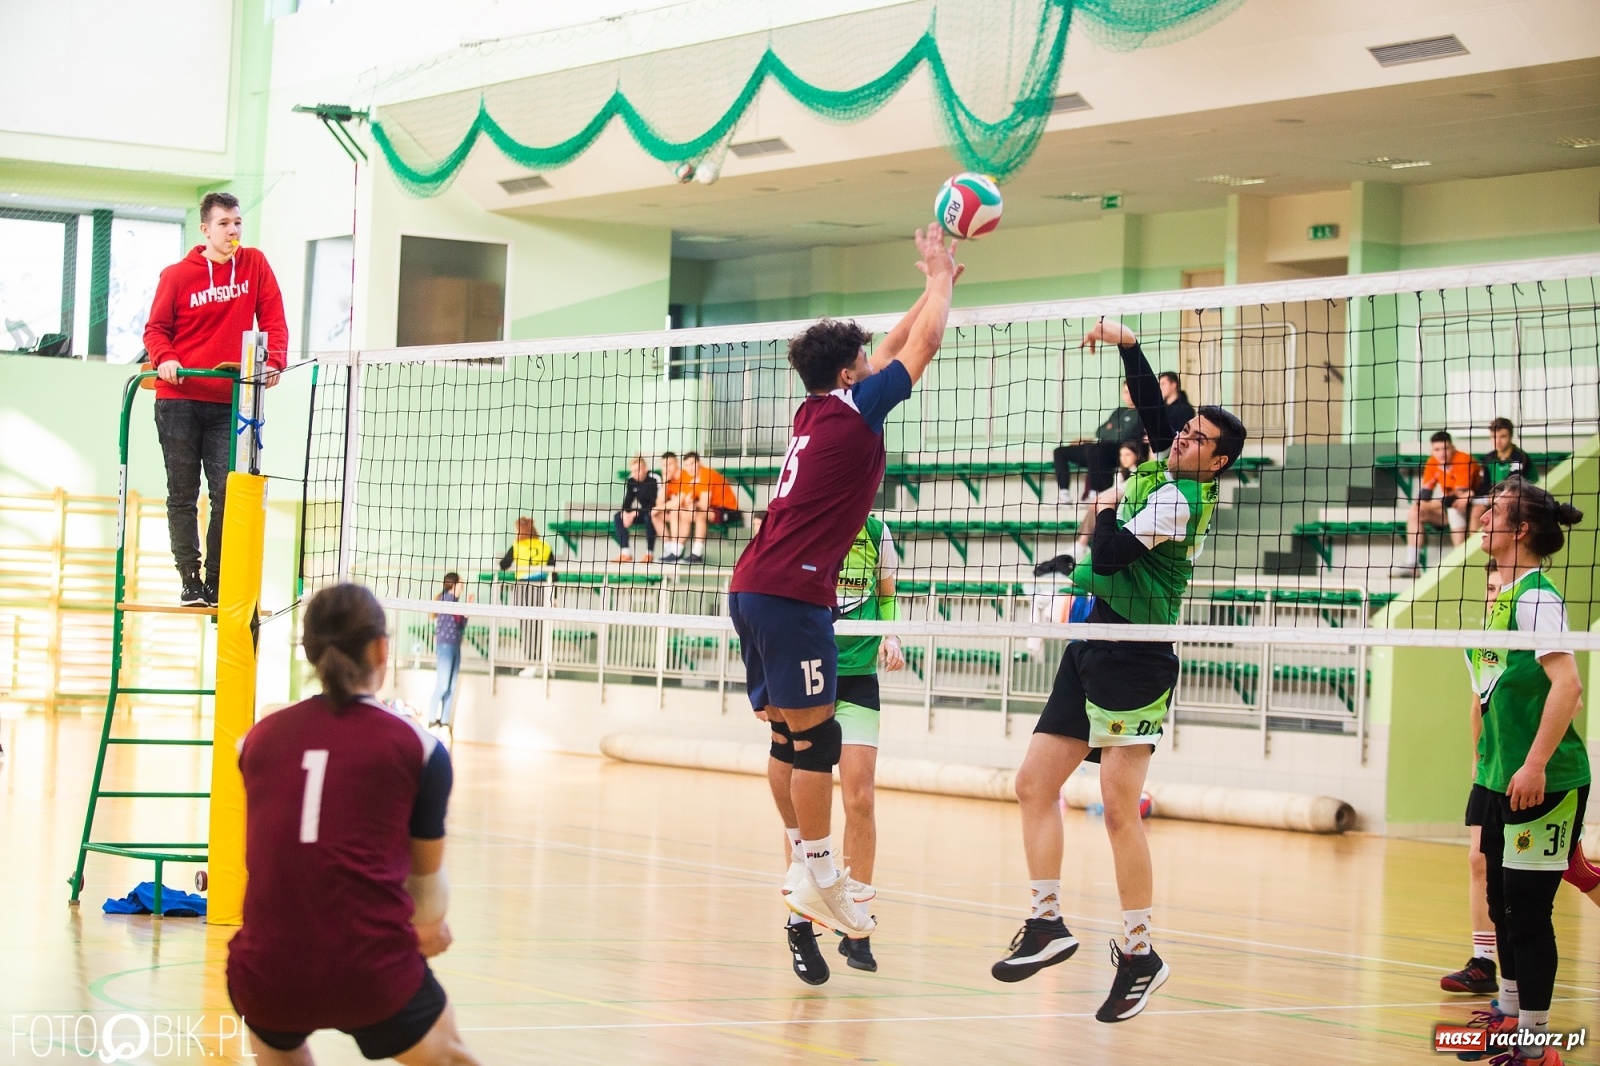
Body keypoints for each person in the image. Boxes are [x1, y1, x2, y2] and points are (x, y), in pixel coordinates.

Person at [993, 319, 1246, 1026]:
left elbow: (1106, 556)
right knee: (1033, 783)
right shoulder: (1167, 465)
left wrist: (1104, 503)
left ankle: (1140, 954)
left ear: (1219, 461)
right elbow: (1153, 411)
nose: (1183, 438)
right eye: (1185, 430)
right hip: (1094, 640)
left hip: (1137, 654)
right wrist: (1129, 345)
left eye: (1198, 438)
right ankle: (1047, 922)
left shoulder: (1179, 498)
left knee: (1117, 804)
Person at [729, 227, 959, 965]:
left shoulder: (815, 411)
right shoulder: (857, 411)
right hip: (793, 594)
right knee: (817, 742)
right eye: (862, 358)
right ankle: (822, 874)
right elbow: (922, 347)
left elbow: (888, 348)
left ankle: (805, 862)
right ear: (847, 372)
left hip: (752, 586)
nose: (873, 359)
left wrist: (930, 286)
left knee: (788, 738)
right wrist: (940, 278)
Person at [226, 583, 478, 1065]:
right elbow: (427, 889)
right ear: (381, 649)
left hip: (264, 973)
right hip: (369, 969)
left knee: (277, 1039)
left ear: (309, 650)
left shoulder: (255, 742)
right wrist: (429, 930)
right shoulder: (421, 749)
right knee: (452, 1058)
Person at [1457, 478, 1586, 1065]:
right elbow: (1495, 693)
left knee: (1527, 912)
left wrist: (1534, 764)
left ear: (1522, 529)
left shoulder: (1536, 597)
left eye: (1495, 512)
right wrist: (1489, 763)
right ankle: (1510, 1018)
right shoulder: (1504, 596)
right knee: (1502, 902)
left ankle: (1538, 1046)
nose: (1483, 519)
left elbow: (1569, 685)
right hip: (1499, 776)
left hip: (1544, 779)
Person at [143, 191, 288, 607]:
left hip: (228, 401)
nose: (233, 230)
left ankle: (216, 580)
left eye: (238, 222)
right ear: (206, 229)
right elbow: (155, 330)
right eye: (224, 223)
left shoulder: (255, 264)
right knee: (183, 494)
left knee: (226, 493)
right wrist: (167, 358)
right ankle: (189, 579)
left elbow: (274, 320)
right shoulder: (177, 275)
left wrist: (274, 361)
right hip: (180, 398)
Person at [776, 514, 904, 982]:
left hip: (858, 677)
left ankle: (858, 922)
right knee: (806, 797)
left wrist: (890, 633)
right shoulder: (810, 523)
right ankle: (800, 923)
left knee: (860, 797)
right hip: (811, 672)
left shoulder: (876, 532)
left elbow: (886, 596)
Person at [1393, 431, 1481, 577]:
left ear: (1453, 447)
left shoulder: (1464, 460)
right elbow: (1425, 495)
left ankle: (1462, 563)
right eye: (1437, 450)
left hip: (1472, 509)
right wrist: (1424, 503)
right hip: (1448, 508)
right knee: (1415, 512)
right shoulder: (1433, 462)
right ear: (1432, 450)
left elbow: (1458, 496)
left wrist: (1429, 504)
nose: (1441, 453)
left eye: (1445, 448)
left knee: (1454, 507)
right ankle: (1412, 565)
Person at [1052, 383, 1142, 504]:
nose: (1129, 395)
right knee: (1060, 452)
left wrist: (1112, 429)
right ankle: (1064, 494)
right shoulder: (1119, 412)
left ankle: (1094, 492)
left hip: (1117, 451)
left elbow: (1125, 435)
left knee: (1096, 449)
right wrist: (1115, 431)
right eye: (1126, 392)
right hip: (1100, 448)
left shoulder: (1141, 413)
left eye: (1131, 392)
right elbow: (1099, 431)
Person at [1073, 440, 1148, 558]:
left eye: (1127, 455)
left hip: (1130, 507)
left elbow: (1122, 490)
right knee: (1095, 509)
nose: (1123, 458)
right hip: (1117, 503)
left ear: (1137, 455)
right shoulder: (1119, 473)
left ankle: (1082, 543)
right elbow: (1114, 489)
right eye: (1121, 455)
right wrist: (1097, 498)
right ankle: (1083, 543)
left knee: (1098, 508)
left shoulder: (1140, 473)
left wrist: (1099, 498)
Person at [662, 452, 742, 564]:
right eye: (687, 465)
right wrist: (690, 506)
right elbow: (688, 501)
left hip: (729, 511)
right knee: (685, 514)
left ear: (699, 463)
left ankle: (697, 553)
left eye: (692, 464)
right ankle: (676, 552)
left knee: (700, 515)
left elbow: (704, 504)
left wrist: (693, 505)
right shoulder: (691, 479)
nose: (690, 468)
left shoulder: (706, 474)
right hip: (712, 509)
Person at [1469, 418, 1539, 532]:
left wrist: (1493, 496)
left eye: (1502, 436)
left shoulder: (1519, 457)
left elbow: (1513, 483)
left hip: (1521, 497)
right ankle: (1473, 543)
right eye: (1494, 437)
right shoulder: (1489, 458)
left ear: (1510, 437)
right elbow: (1484, 485)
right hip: (1495, 496)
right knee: (1476, 510)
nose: (1497, 441)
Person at [428, 574, 467, 730]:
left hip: (455, 645)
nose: (463, 586)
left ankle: (444, 722)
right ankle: (431, 721)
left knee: (452, 686)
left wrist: (467, 612)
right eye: (461, 583)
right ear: (453, 584)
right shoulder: (446, 600)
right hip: (445, 646)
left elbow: (460, 625)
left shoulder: (456, 602)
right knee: (443, 685)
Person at [612, 455, 659, 563]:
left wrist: (635, 513)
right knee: (618, 516)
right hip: (641, 512)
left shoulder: (654, 480)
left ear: (645, 469)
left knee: (649, 517)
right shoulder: (631, 481)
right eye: (633, 471)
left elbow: (653, 504)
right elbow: (627, 501)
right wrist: (625, 513)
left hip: (654, 512)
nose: (635, 473)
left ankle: (649, 554)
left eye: (638, 470)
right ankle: (625, 553)